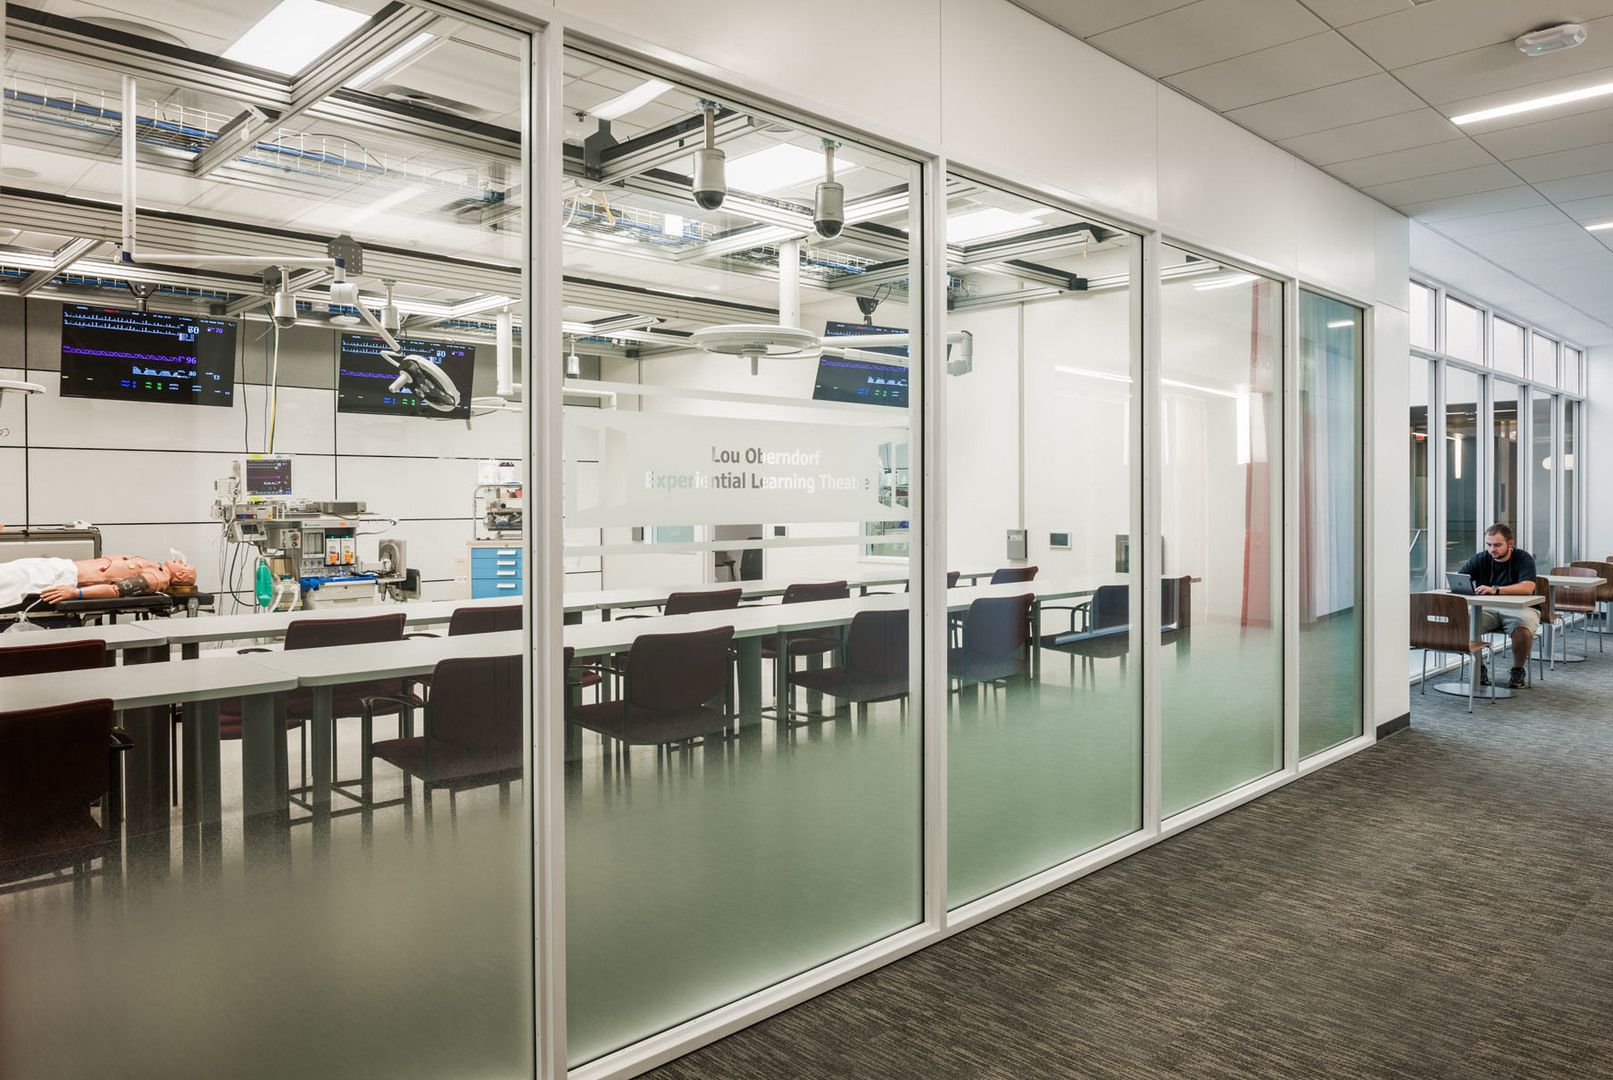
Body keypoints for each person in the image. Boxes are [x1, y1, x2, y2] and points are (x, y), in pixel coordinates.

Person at [1457, 523, 1537, 690]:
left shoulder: (1524, 558)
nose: (1492, 549)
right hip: (1488, 608)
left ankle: (1517, 670)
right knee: (1466, 623)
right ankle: (1479, 668)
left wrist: (1496, 590)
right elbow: (1460, 579)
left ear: (1510, 544)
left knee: (1522, 630)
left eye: (1497, 545)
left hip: (1522, 608)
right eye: (1489, 545)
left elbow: (1528, 587)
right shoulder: (1481, 558)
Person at [0, 554, 197, 609]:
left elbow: (116, 591)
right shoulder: (155, 568)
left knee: (15, 575)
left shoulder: (156, 578)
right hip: (63, 567)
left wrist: (75, 593)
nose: (181, 560)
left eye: (185, 566)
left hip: (64, 576)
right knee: (16, 568)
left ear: (180, 577)